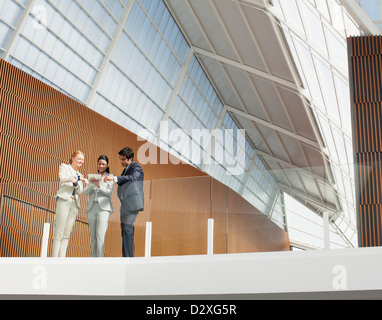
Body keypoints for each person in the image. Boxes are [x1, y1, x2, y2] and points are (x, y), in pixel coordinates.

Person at [104, 147, 144, 257]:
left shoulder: (136, 167)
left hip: (133, 204)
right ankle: (126, 256)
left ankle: (128, 258)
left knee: (127, 230)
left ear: (130, 158)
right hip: (125, 204)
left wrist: (115, 179)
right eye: (120, 159)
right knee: (125, 231)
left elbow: (133, 178)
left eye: (123, 159)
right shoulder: (125, 170)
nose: (121, 162)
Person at [52, 150, 86, 257]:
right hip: (64, 200)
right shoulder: (64, 167)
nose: (81, 161)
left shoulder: (80, 174)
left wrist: (77, 182)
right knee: (59, 232)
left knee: (66, 234)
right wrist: (72, 179)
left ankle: (62, 260)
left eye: (82, 160)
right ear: (72, 158)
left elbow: (80, 190)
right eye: (79, 158)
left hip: (74, 203)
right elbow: (62, 179)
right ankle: (54, 259)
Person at [83, 155, 114, 257]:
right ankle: (93, 260)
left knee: (100, 236)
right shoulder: (93, 177)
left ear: (107, 165)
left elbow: (109, 192)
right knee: (93, 236)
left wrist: (99, 186)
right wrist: (91, 185)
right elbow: (85, 192)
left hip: (103, 209)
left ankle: (100, 261)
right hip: (92, 207)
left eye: (103, 164)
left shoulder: (110, 176)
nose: (101, 166)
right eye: (99, 164)